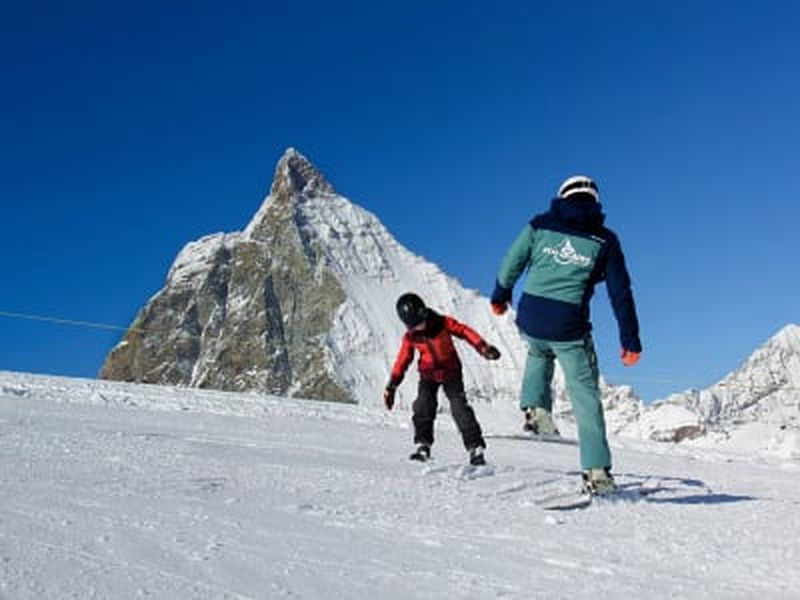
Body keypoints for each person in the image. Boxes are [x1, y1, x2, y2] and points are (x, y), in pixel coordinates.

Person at [490, 175, 642, 495]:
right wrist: (630, 340)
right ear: (595, 201)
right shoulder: (605, 240)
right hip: (568, 324)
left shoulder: (539, 224)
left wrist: (500, 295)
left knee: (538, 349)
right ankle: (597, 471)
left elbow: (512, 262)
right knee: (584, 394)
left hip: (530, 313)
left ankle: (536, 409)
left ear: (561, 196)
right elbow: (620, 293)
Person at [384, 293, 501, 466]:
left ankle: (475, 448)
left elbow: (464, 331)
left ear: (423, 312)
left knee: (459, 407)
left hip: (451, 372)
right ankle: (423, 445)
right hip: (428, 375)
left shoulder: (442, 323)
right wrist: (392, 385)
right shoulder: (411, 337)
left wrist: (483, 347)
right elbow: (402, 360)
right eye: (413, 326)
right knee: (423, 404)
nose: (418, 328)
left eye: (419, 322)